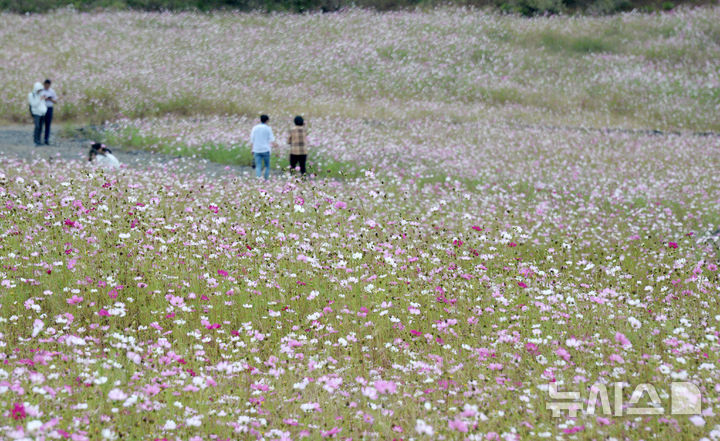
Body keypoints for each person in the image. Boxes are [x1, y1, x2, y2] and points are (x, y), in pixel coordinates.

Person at [249, 114, 277, 180]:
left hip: (256, 149)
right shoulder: (268, 128)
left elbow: (252, 139)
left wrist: (252, 149)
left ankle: (259, 180)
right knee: (267, 166)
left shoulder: (255, 128)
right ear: (267, 120)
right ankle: (266, 179)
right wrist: (276, 147)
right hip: (265, 149)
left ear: (260, 119)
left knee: (258, 166)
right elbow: (272, 140)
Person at [40, 79, 58, 145]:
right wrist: (43, 98)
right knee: (40, 124)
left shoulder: (52, 91)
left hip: (49, 108)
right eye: (46, 85)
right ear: (44, 84)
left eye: (48, 85)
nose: (47, 86)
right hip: (41, 108)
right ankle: (39, 139)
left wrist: (50, 99)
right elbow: (37, 99)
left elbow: (55, 101)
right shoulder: (41, 91)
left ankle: (46, 139)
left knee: (48, 124)